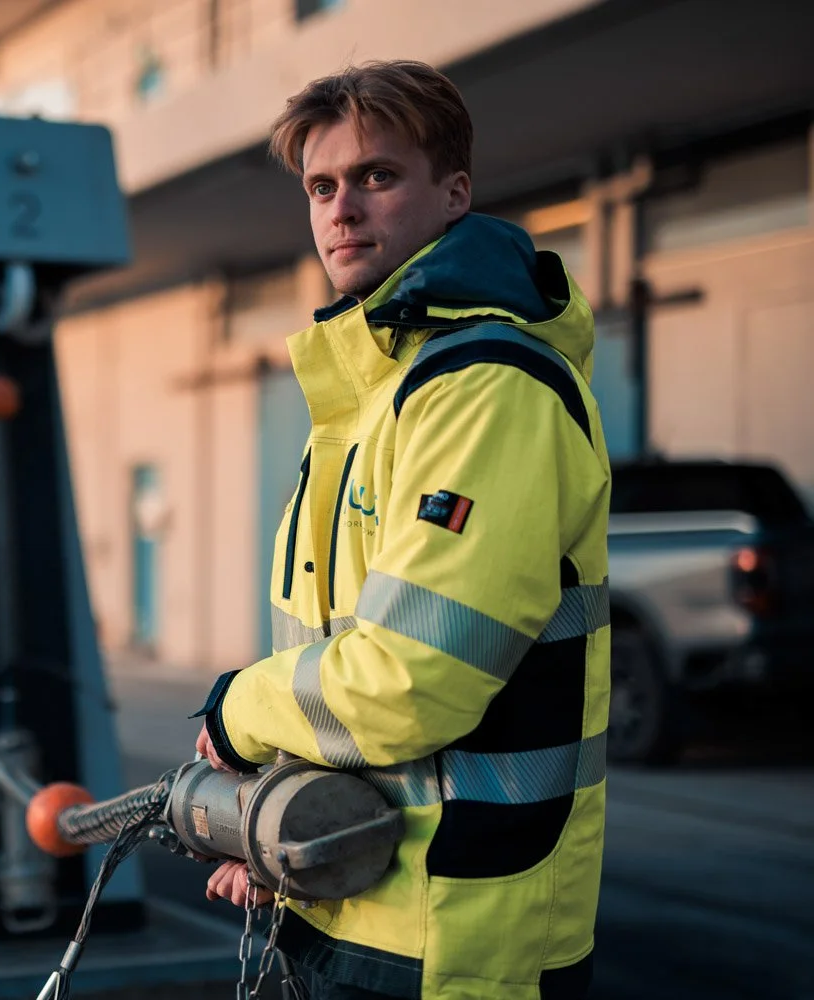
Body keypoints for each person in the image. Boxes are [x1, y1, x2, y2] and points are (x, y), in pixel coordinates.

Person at [191, 60, 610, 1000]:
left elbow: (412, 680)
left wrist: (237, 712)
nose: (343, 210)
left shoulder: (485, 388)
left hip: (457, 931)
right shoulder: (370, 398)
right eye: (322, 186)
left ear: (454, 194)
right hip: (347, 885)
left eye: (377, 177)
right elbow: (340, 670)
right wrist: (276, 823)